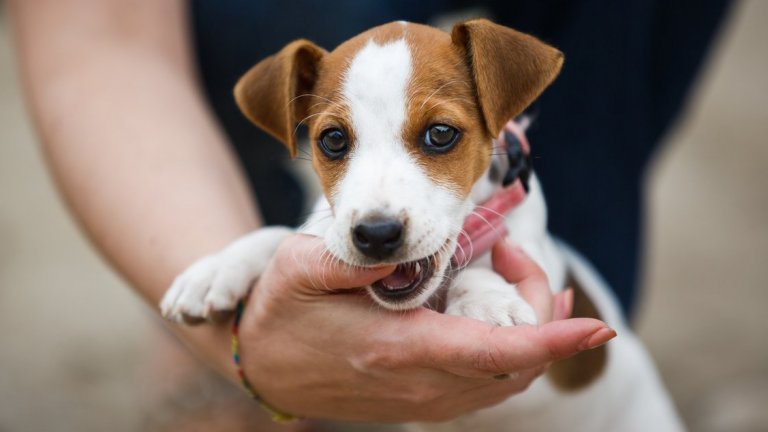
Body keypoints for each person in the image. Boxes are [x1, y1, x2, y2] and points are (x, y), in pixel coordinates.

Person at [9, 0, 728, 428]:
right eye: (337, 142)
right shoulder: (352, 201)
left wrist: (481, 289)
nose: (376, 211)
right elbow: (301, 251)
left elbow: (507, 280)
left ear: (503, 118)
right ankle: (238, 377)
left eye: (438, 136)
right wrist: (247, 261)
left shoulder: (518, 202)